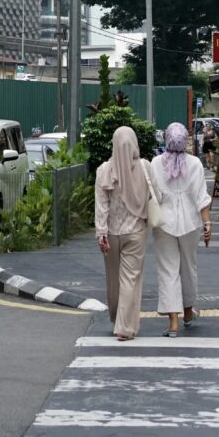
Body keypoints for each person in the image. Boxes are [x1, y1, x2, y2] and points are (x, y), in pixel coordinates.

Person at [150, 121, 212, 337]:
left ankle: (173, 323)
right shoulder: (195, 163)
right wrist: (208, 224)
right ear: (185, 140)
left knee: (168, 270)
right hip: (190, 223)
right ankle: (187, 313)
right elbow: (201, 197)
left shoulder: (156, 163)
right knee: (188, 267)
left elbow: (154, 195)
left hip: (163, 223)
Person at [94, 126, 149, 341]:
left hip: (111, 232)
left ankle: (117, 317)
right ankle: (124, 326)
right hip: (136, 231)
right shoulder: (144, 167)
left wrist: (101, 232)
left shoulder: (104, 170)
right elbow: (156, 194)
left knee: (113, 279)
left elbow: (101, 205)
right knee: (130, 279)